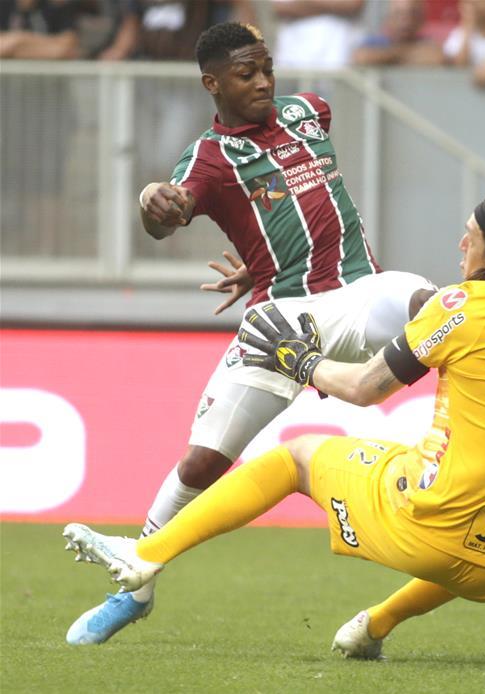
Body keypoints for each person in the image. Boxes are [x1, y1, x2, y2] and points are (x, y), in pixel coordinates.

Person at [64, 191, 485, 659]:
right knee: (476, 516)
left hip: (428, 527)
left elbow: (359, 389)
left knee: (298, 457)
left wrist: (300, 360)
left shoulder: (460, 306)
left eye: (470, 236)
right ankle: (373, 626)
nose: (460, 243)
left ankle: (143, 555)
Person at [64, 20, 435, 646]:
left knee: (432, 303)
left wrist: (266, 251)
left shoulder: (308, 112)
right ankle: (135, 583)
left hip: (360, 290)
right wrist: (153, 197)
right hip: (283, 317)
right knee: (203, 461)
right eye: (246, 74)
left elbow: (299, 206)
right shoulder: (209, 160)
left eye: (267, 69)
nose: (263, 82)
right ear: (212, 85)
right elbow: (169, 209)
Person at [271, 0, 366, 69]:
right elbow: (277, 8)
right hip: (290, 60)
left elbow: (352, 4)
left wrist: (302, 4)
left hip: (336, 60)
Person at [352, 0, 442, 66]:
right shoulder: (374, 42)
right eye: (399, 14)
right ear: (388, 17)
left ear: (421, 19)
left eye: (412, 14)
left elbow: (438, 58)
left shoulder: (428, 42)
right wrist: (408, 53)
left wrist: (386, 57)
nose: (406, 22)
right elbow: (361, 58)